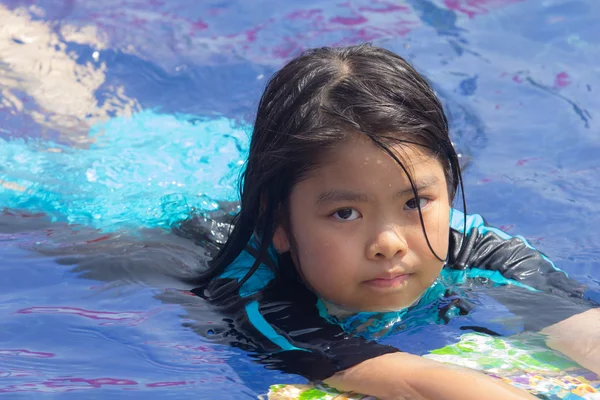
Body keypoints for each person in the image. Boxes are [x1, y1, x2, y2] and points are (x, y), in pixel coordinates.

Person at [179, 44, 599, 400]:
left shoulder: (471, 245)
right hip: (160, 213)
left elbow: (578, 321)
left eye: (416, 201)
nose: (389, 242)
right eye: (345, 213)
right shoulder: (259, 292)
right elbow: (408, 381)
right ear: (280, 223)